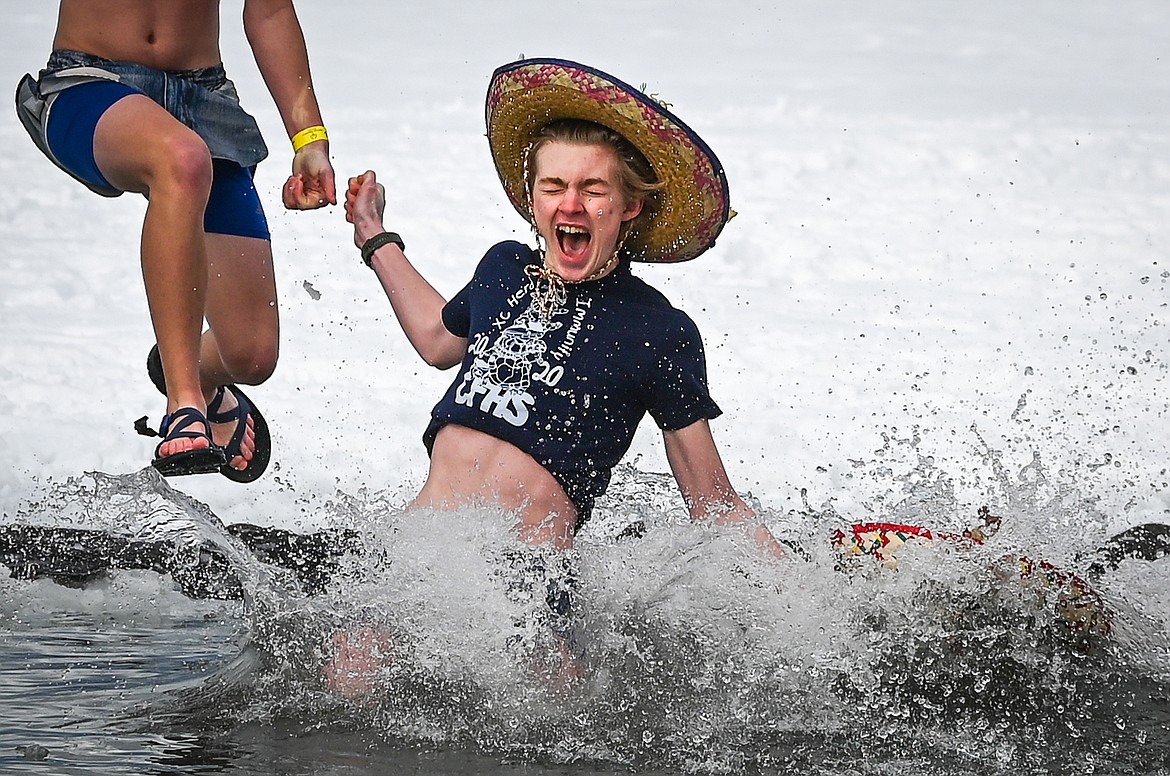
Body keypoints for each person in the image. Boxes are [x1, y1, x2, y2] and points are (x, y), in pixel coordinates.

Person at [344, 57, 781, 555]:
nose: (569, 204)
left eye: (592, 189)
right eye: (553, 187)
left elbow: (713, 504)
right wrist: (375, 236)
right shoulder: (504, 269)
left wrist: (808, 587)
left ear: (628, 206)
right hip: (418, 551)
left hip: (527, 582)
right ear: (533, 198)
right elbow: (436, 338)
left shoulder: (656, 330)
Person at [14, 0, 336, 481]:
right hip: (88, 84)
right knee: (183, 160)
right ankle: (183, 404)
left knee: (251, 355)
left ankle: (196, 378)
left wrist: (308, 139)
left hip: (202, 97)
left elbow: (269, 11)